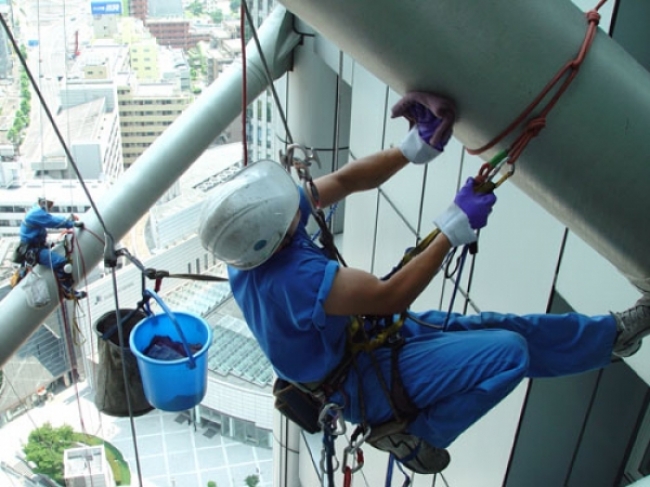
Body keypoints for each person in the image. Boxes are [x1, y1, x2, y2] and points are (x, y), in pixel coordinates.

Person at [198, 92, 650, 475]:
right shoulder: (294, 280)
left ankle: (612, 338)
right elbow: (389, 295)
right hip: (358, 382)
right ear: (274, 238)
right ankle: (415, 436)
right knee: (509, 352)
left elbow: (347, 180)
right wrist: (454, 226)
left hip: (361, 348)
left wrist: (413, 147)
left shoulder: (254, 242)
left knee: (504, 326)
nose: (302, 200)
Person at [18, 197, 85, 299]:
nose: (50, 207)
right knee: (62, 264)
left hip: (35, 248)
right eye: (49, 205)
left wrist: (67, 219)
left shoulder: (35, 211)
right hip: (34, 250)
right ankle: (68, 291)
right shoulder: (36, 213)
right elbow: (53, 221)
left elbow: (51, 219)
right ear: (43, 203)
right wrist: (72, 223)